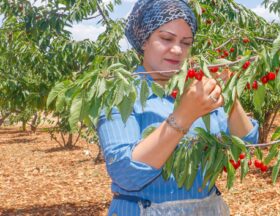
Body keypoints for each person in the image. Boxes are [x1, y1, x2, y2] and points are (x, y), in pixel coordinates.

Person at [96, 0, 259, 215]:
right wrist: (184, 116)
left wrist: (228, 93)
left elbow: (246, 144)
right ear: (144, 40)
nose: (177, 50)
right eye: (166, 38)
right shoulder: (120, 95)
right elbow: (126, 174)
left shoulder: (197, 90)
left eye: (186, 42)